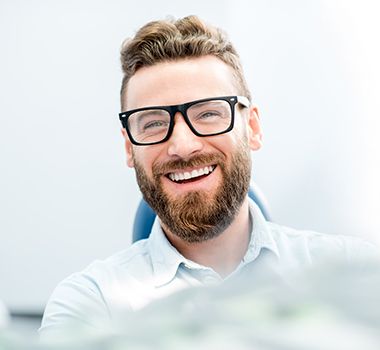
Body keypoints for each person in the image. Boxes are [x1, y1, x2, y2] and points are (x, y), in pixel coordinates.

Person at [39, 15, 378, 339]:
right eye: (154, 122)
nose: (183, 146)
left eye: (209, 114)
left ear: (253, 128)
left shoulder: (358, 274)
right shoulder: (91, 305)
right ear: (129, 148)